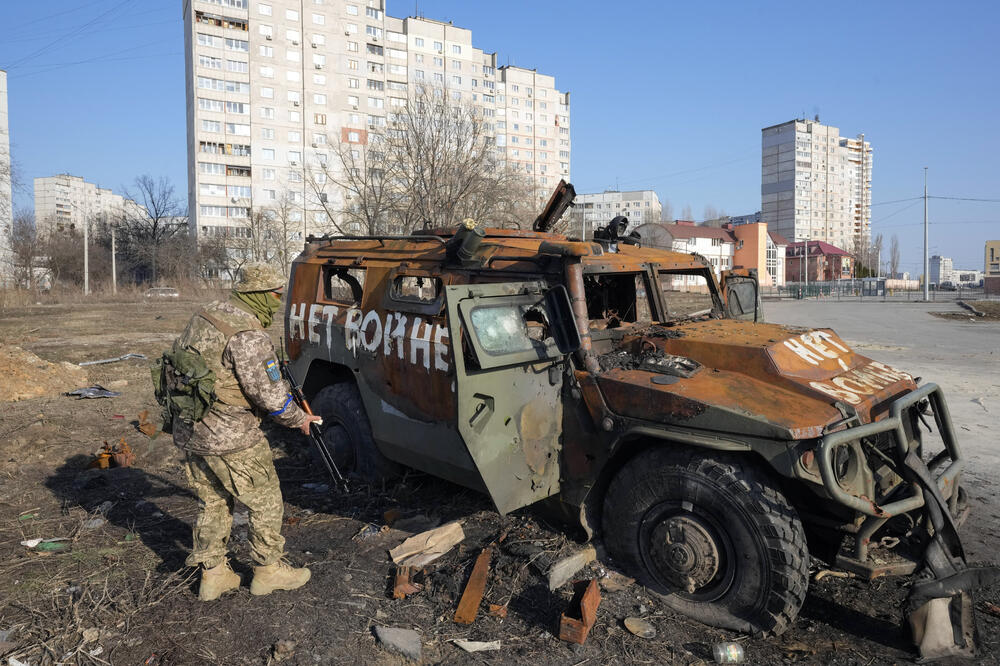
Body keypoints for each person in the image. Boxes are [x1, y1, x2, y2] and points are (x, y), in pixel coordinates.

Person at [170, 262, 321, 601]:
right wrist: (300, 420)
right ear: (261, 294)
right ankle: (267, 570)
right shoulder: (248, 335)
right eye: (276, 296)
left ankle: (213, 575)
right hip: (230, 435)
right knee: (265, 498)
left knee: (212, 500)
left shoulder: (208, 314)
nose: (278, 302)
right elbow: (268, 395)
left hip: (191, 427)